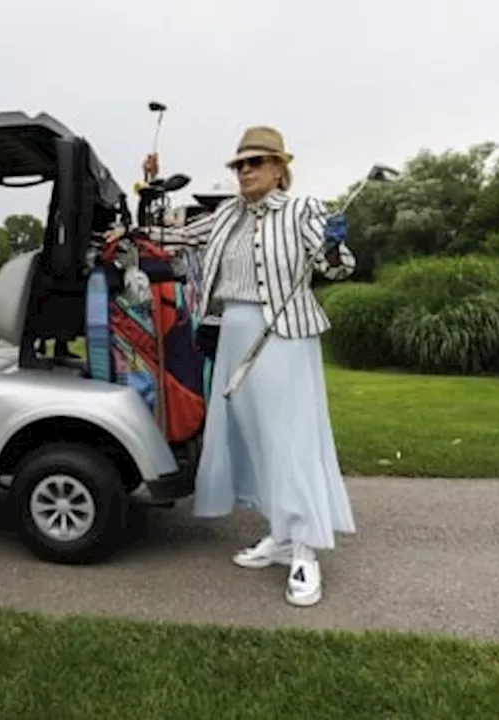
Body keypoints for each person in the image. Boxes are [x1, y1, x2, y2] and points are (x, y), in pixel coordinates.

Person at [107, 126, 356, 606]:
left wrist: (331, 244)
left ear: (280, 169)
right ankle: (280, 535)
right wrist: (145, 195)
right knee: (253, 438)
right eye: (239, 164)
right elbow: (166, 235)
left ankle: (305, 549)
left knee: (288, 439)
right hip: (234, 331)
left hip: (282, 334)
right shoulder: (224, 217)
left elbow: (337, 268)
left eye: (255, 163)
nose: (245, 172)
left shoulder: (303, 210)